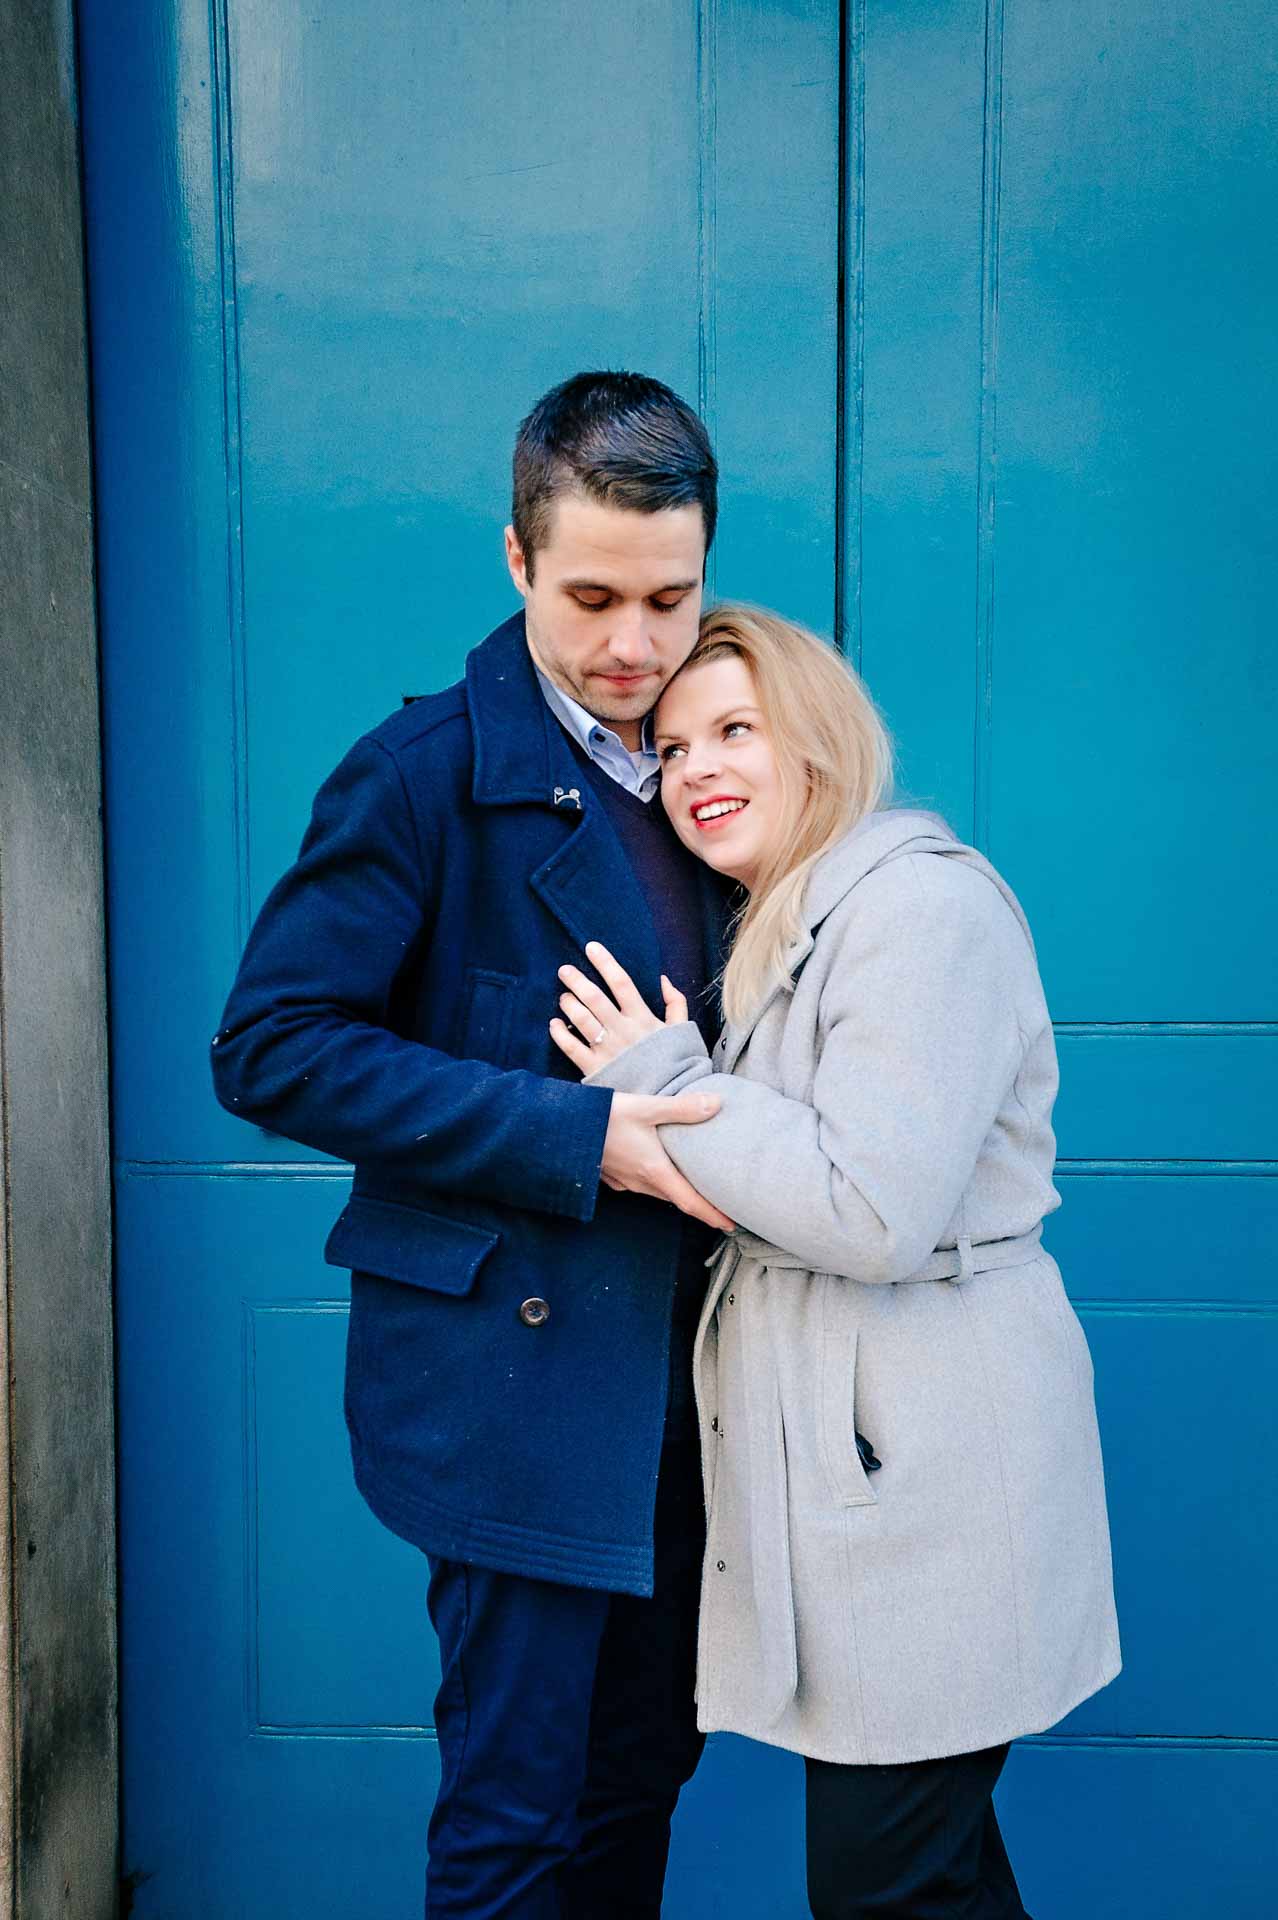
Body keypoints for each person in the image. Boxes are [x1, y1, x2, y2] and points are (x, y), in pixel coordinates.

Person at [210, 371, 740, 1919]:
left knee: (643, 1769)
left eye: (668, 597)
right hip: (513, 1375)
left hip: (694, 1386)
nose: (633, 647)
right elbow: (272, 1047)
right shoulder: (424, 774)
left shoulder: (722, 761)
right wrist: (580, 1137)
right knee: (515, 1811)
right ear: (514, 562)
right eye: (588, 597)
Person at [549, 604, 1122, 1920]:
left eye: (733, 730)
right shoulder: (780, 928)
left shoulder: (920, 909)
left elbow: (871, 1208)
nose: (695, 768)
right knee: (927, 1877)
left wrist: (662, 1086)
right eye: (671, 745)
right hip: (863, 1475)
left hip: (932, 1468)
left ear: (819, 745)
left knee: (889, 1886)